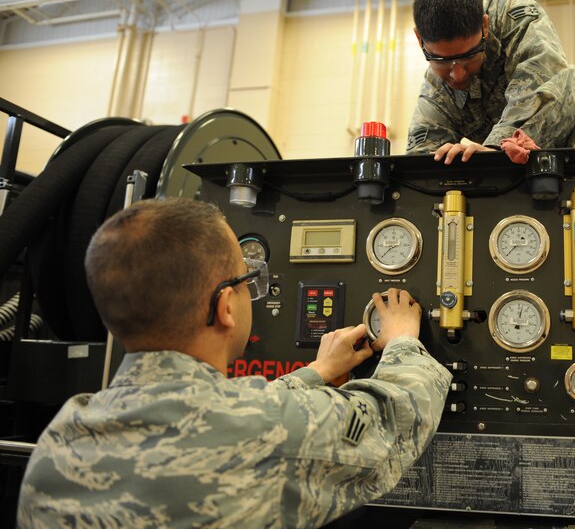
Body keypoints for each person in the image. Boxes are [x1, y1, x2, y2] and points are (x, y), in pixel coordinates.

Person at [17, 197, 451, 528]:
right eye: (248, 280)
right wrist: (402, 341)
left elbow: (230, 414)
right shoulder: (263, 427)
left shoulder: (58, 441)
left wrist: (316, 374)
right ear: (226, 305)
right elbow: (393, 421)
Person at [407, 0, 575, 261]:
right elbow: (419, 170)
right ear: (420, 40)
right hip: (517, 156)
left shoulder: (511, 13)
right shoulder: (435, 91)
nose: (457, 74)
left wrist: (491, 152)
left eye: (468, 58)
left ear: (485, 26)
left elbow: (540, 88)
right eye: (442, 62)